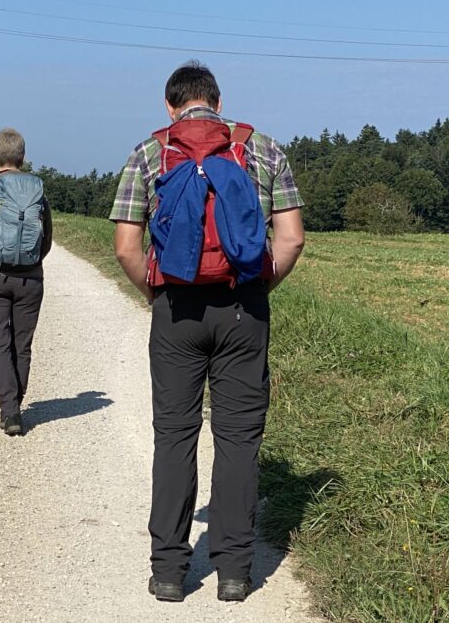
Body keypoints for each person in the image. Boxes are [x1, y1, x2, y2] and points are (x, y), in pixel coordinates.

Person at [110, 61, 305, 603]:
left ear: (169, 106)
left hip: (176, 308)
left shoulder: (150, 152)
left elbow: (127, 246)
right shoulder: (262, 148)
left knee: (174, 435)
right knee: (238, 439)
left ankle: (170, 572)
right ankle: (235, 572)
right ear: (218, 103)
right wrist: (258, 288)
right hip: (244, 305)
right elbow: (290, 240)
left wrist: (156, 295)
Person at [0, 128, 53, 436]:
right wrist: (30, 263)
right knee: (22, 345)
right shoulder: (37, 192)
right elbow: (46, 241)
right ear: (23, 157)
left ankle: (9, 409)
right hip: (30, 279)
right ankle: (16, 401)